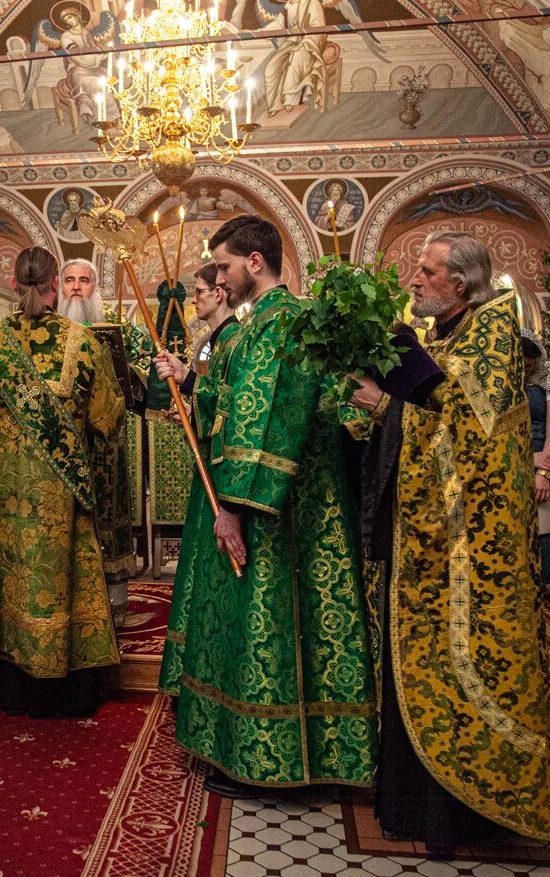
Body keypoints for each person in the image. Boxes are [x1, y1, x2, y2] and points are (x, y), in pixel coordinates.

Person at [349, 231, 550, 851]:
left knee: (463, 669)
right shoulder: (445, 334)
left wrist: (396, 383)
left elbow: (469, 416)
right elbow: (425, 413)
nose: (414, 278)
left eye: (426, 270)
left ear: (458, 284)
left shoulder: (494, 329)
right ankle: (415, 811)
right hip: (423, 544)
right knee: (415, 672)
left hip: (468, 554)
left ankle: (469, 814)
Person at [171, 216, 376, 795]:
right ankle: (300, 754)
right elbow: (235, 399)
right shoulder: (266, 322)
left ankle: (270, 764)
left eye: (226, 266)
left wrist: (232, 505)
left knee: (272, 621)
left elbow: (263, 424)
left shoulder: (280, 323)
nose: (221, 277)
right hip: (291, 499)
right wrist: (193, 384)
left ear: (255, 262)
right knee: (295, 623)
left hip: (277, 507)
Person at [0, 246, 125, 717]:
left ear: (13, 285)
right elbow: (108, 421)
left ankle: (11, 691)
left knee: (12, 585)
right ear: (55, 286)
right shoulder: (83, 344)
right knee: (62, 584)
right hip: (60, 505)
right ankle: (66, 695)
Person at [152, 264, 240, 696]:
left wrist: (186, 380)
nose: (195, 299)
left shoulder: (232, 339)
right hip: (208, 462)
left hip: (222, 472)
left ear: (221, 293)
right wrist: (187, 409)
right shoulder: (212, 341)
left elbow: (233, 408)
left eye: (201, 291)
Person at [57, 258, 148, 624]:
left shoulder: (118, 326)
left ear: (96, 286)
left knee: (108, 514)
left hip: (106, 443)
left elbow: (144, 368)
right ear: (59, 286)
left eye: (84, 280)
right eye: (69, 280)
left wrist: (125, 367)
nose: (77, 287)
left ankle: (113, 605)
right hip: (61, 441)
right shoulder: (50, 329)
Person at [522, 330, 550, 537]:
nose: (523, 371)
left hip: (545, 455)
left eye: (528, 366)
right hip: (513, 458)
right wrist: (526, 459)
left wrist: (543, 473)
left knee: (545, 536)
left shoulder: (548, 373)